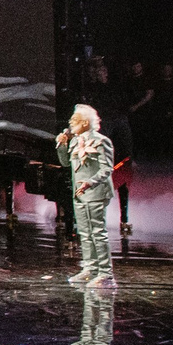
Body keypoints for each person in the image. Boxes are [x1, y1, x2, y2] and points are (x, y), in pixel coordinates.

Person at [57, 103, 118, 291]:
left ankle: (106, 274)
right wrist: (62, 145)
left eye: (74, 120)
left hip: (95, 192)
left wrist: (90, 182)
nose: (70, 123)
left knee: (97, 233)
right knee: (84, 232)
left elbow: (107, 168)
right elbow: (65, 163)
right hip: (80, 193)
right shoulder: (75, 141)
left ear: (84, 122)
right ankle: (90, 269)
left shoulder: (101, 141)